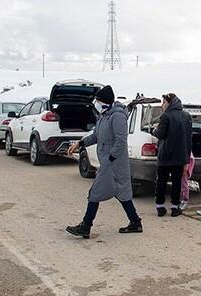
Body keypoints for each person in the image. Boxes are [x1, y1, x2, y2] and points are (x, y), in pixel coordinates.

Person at [65, 85, 143, 238]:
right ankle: (135, 222)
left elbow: (121, 141)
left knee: (95, 193)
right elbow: (95, 136)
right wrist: (80, 143)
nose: (96, 103)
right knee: (122, 193)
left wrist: (110, 159)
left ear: (105, 101)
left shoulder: (117, 116)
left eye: (98, 101)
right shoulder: (104, 116)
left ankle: (86, 226)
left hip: (114, 164)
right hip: (109, 163)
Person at [152, 93, 193, 217]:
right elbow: (188, 138)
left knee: (161, 181)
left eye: (163, 102)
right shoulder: (187, 116)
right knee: (177, 182)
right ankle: (175, 207)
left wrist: (154, 130)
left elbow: (161, 134)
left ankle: (160, 206)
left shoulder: (166, 116)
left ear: (169, 103)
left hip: (165, 155)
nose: (162, 105)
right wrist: (186, 158)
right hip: (180, 156)